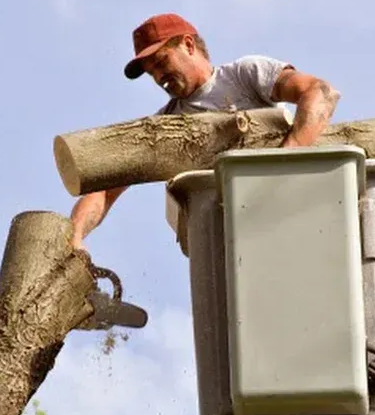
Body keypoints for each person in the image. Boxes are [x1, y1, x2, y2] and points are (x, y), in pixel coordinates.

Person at [71, 13, 340, 251]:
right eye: (151, 72)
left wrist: (281, 162)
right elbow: (107, 189)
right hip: (224, 239)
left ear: (188, 45)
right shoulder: (164, 125)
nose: (158, 77)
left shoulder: (244, 76)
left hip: (294, 215)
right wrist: (74, 236)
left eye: (162, 62)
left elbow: (321, 92)